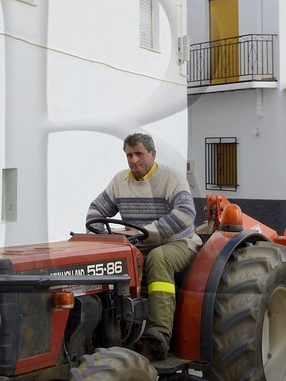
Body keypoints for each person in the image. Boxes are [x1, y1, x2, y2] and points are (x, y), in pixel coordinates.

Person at [85, 132, 200, 360]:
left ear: (152, 154)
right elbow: (96, 211)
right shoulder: (120, 181)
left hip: (178, 242)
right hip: (136, 245)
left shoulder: (171, 178)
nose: (134, 160)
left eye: (139, 154)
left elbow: (186, 213)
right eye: (129, 155)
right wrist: (101, 234)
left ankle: (160, 332)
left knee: (159, 258)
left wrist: (145, 231)